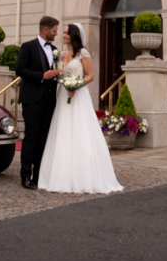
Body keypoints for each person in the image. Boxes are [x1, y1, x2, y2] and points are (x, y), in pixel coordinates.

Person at [38, 23, 122, 194]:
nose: (63, 35)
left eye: (67, 33)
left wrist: (76, 86)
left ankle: (85, 175)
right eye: (63, 32)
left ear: (74, 35)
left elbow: (90, 75)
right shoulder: (60, 54)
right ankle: (59, 175)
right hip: (63, 96)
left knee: (80, 131)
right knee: (61, 131)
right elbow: (58, 74)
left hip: (78, 95)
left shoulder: (82, 53)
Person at [15, 16, 60, 190]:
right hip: (32, 100)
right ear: (45, 30)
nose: (56, 34)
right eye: (54, 31)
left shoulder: (55, 50)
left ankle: (38, 175)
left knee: (43, 140)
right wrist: (41, 75)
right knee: (31, 138)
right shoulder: (28, 46)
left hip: (49, 100)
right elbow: (20, 69)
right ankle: (25, 176)